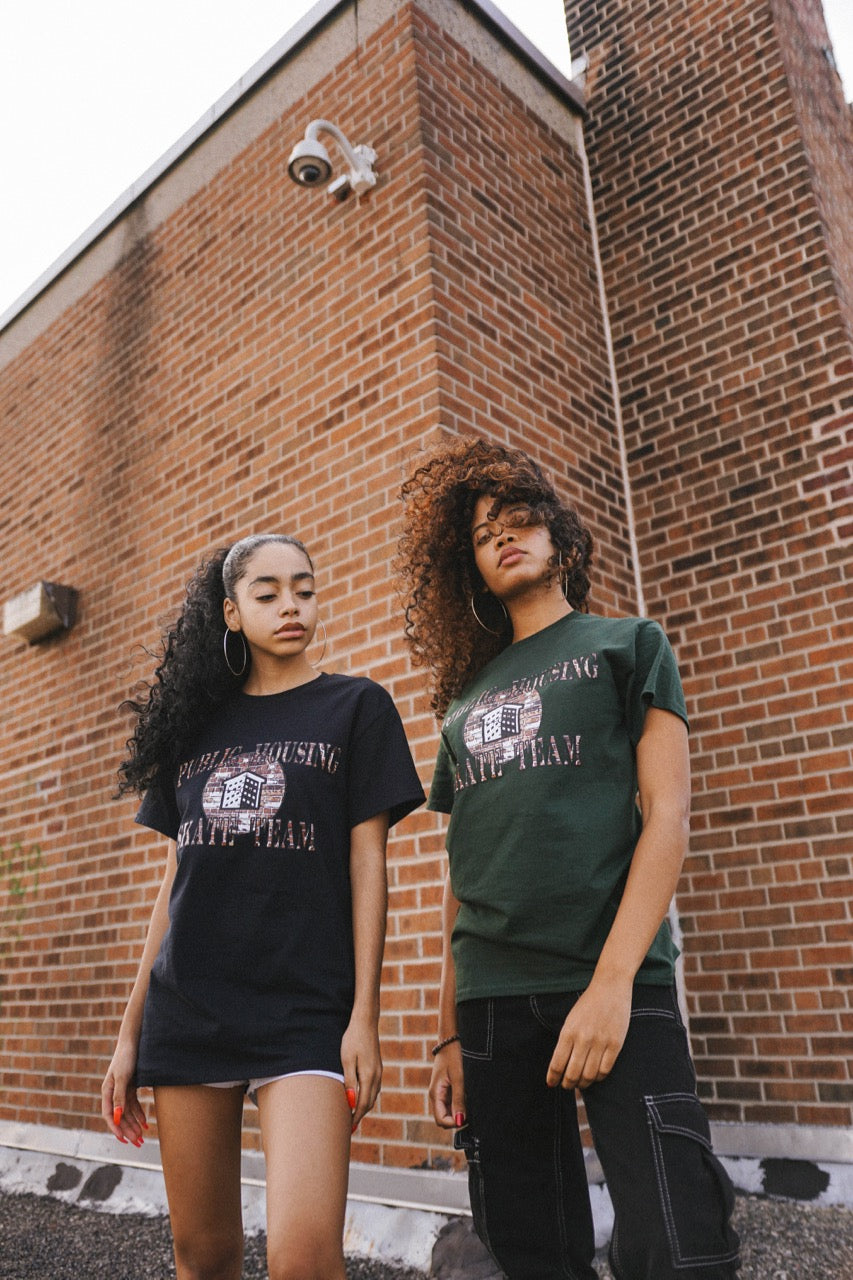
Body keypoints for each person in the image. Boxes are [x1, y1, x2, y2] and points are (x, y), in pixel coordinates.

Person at [396, 438, 740, 1280]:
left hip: (616, 980)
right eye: (484, 535)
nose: (505, 537)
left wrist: (613, 983)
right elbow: (463, 869)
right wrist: (446, 1032)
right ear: (469, 569)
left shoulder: (629, 644)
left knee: (677, 1240)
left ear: (560, 537)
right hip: (491, 998)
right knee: (529, 1246)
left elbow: (667, 817)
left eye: (520, 519)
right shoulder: (463, 703)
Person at [101, 533, 424, 1280]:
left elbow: (367, 864)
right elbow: (174, 889)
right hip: (192, 1009)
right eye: (268, 592)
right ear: (231, 611)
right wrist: (130, 1035)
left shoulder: (356, 707)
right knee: (203, 1257)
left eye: (304, 590)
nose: (291, 606)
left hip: (305, 1013)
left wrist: (364, 1018)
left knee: (305, 1259)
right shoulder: (194, 732)